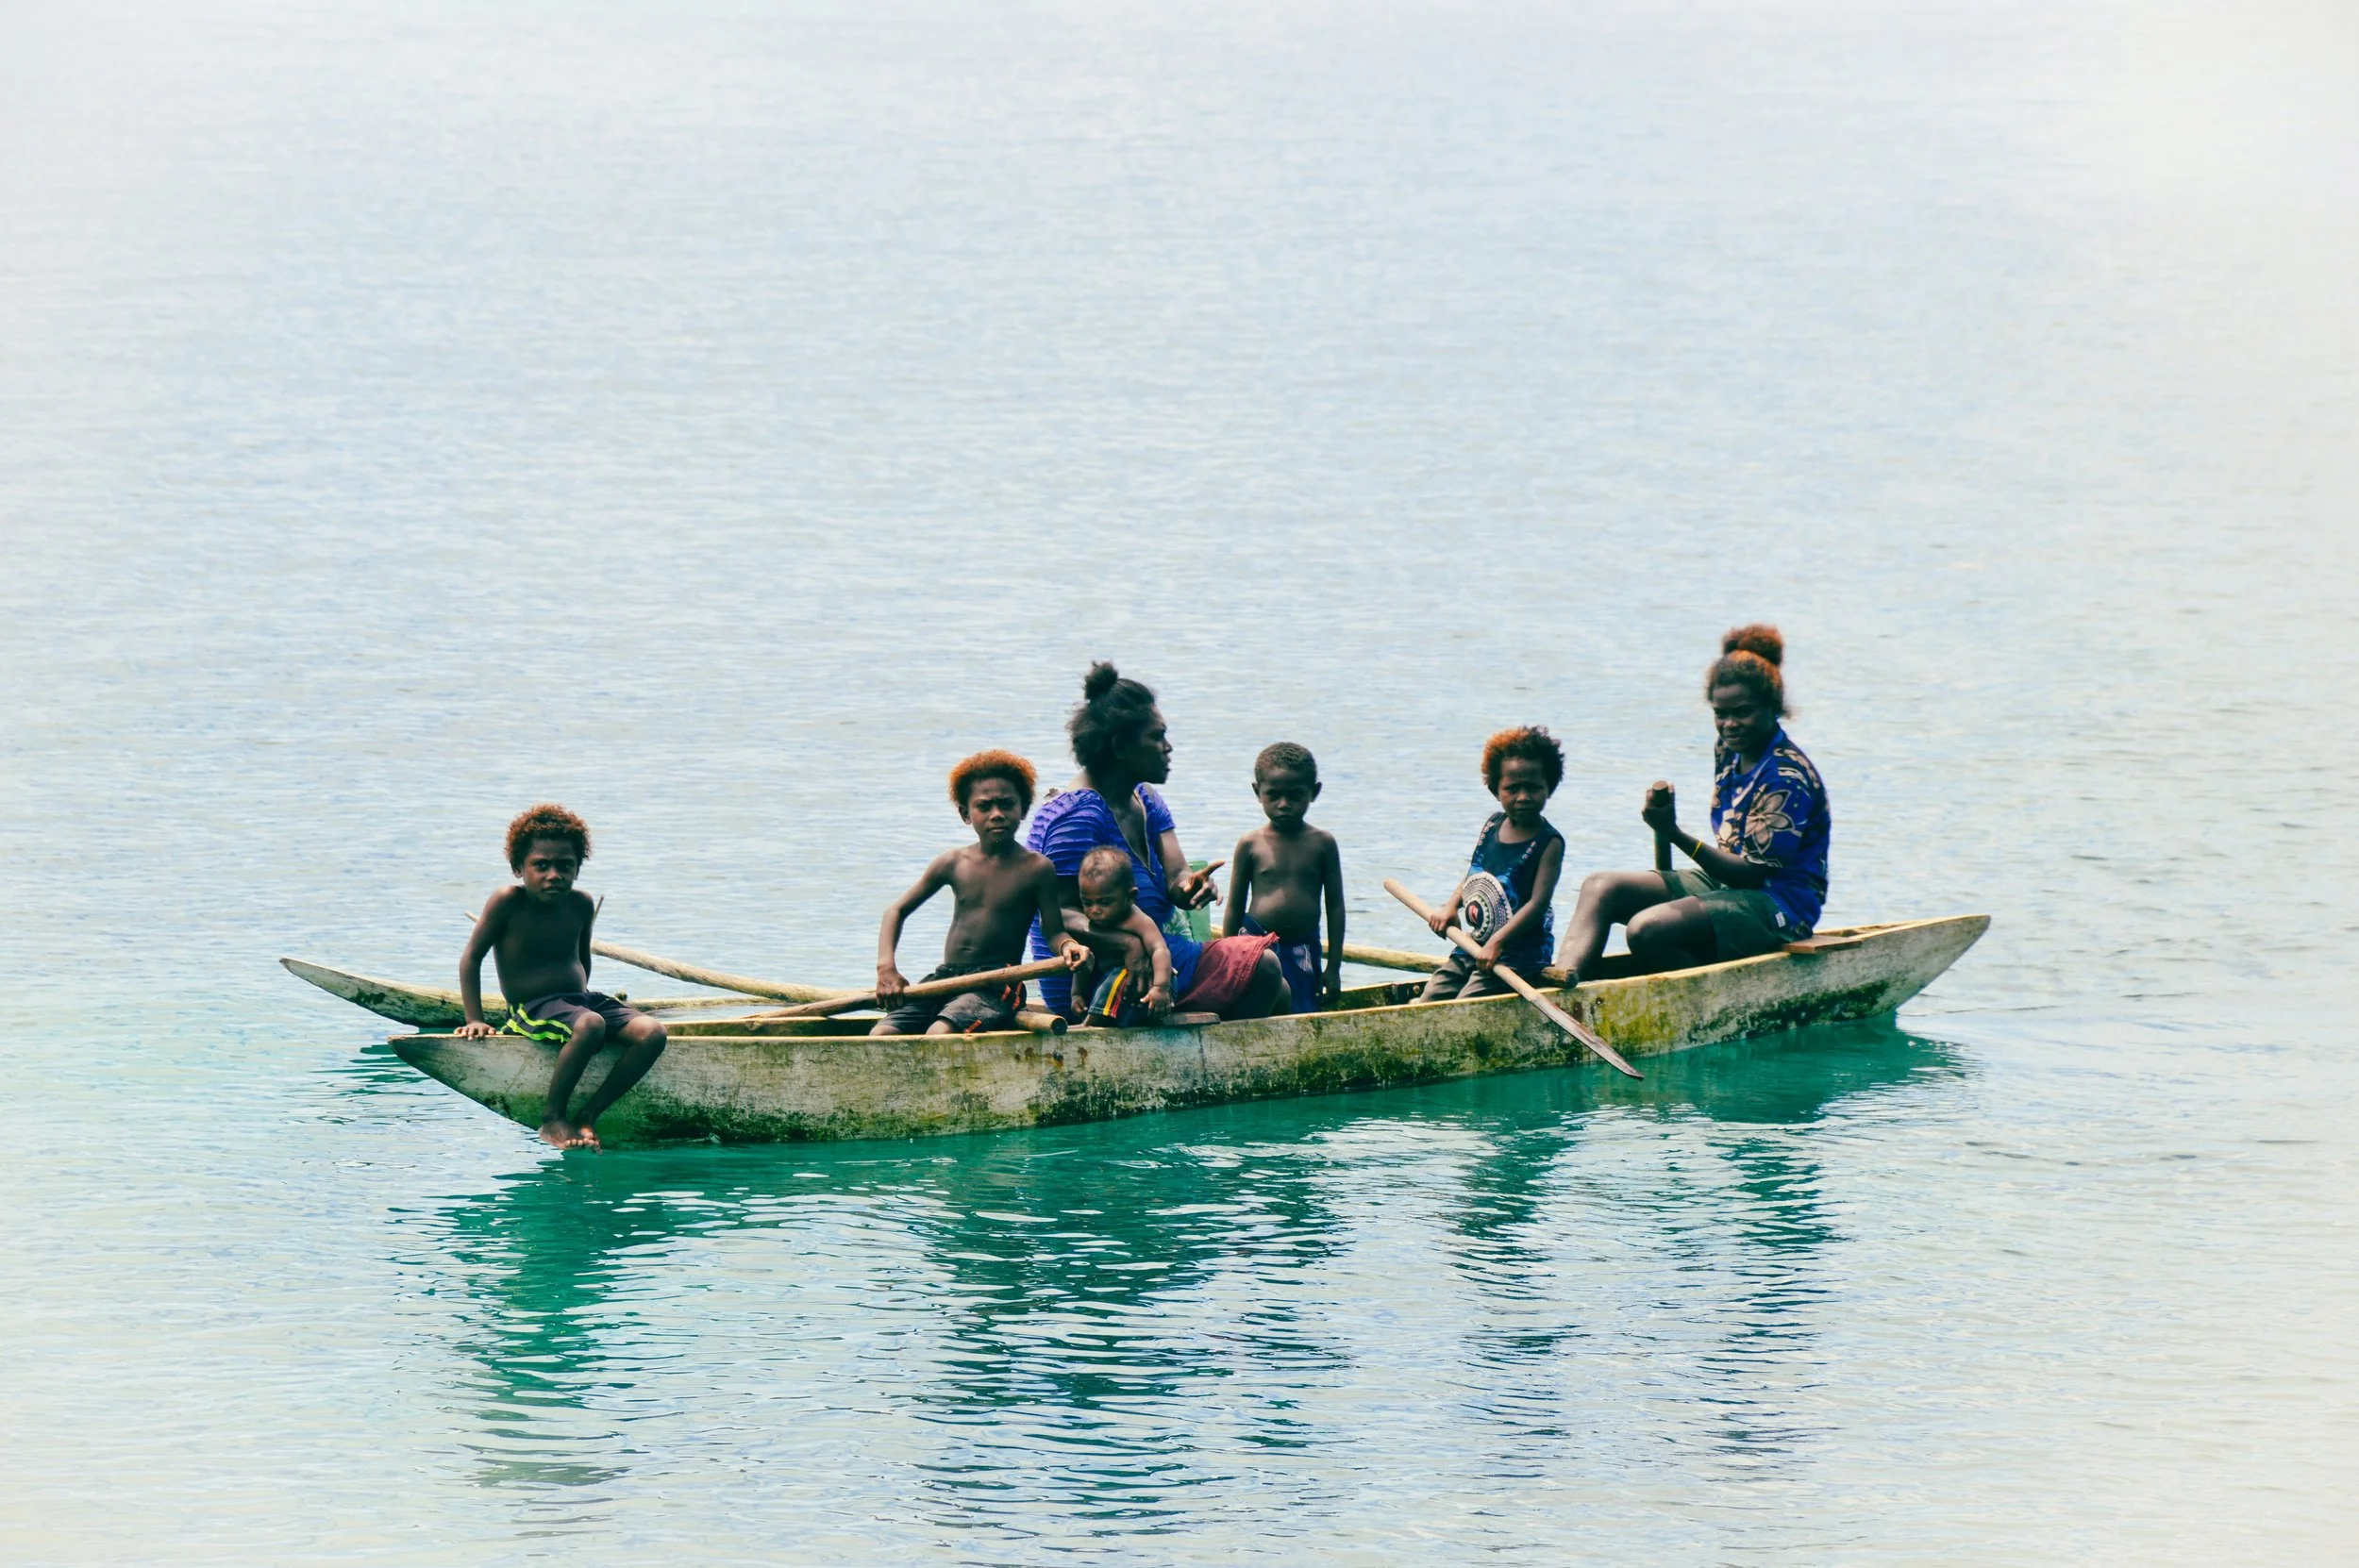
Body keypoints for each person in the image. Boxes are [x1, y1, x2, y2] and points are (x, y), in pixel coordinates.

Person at [1554, 625, 1830, 980]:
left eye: (1742, 712)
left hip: (1781, 906)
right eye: (1720, 714)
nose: (1730, 725)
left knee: (1647, 930)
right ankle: (1565, 985)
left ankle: (1711, 999)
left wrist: (1673, 833)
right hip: (1729, 887)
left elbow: (1751, 872)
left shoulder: (1785, 777)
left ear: (1772, 707)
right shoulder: (1729, 750)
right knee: (1602, 887)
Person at [1026, 662, 1288, 1019]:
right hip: (1096, 979)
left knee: (1280, 989)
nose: (1168, 747)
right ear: (1120, 746)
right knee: (1265, 967)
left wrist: (1192, 887)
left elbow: (1177, 878)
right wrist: (1126, 941)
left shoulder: (1144, 799)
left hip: (1152, 955)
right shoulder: (1079, 815)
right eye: (1156, 737)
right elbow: (1056, 916)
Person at [457, 804, 667, 1150]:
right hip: (533, 1008)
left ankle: (590, 1113)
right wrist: (475, 1019)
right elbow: (470, 960)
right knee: (591, 1026)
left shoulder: (581, 904)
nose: (553, 874)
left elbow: (581, 958)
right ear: (518, 869)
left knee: (652, 1032)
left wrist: (584, 1004)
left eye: (565, 866)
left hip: (580, 1002)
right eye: (541, 865)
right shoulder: (508, 902)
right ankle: (552, 1118)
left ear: (577, 869)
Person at [872, 751, 1089, 1036]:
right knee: (881, 1035)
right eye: (984, 806)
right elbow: (895, 912)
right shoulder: (952, 863)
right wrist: (886, 968)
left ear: (1023, 809)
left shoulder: (1037, 868)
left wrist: (1068, 946)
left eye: (1006, 804)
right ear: (966, 813)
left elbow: (1053, 932)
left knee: (939, 1034)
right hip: (945, 978)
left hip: (998, 983)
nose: (996, 814)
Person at [1414, 727, 1569, 1002]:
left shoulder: (1549, 842)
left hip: (1517, 955)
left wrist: (1499, 942)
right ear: (1496, 791)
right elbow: (1475, 874)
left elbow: (1537, 905)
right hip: (1473, 945)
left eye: (1533, 788)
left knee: (1467, 1005)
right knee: (1430, 999)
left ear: (1550, 788)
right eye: (1512, 789)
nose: (1523, 797)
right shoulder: (1492, 825)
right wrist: (1451, 906)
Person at [1222, 742, 1346, 1012]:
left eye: (1294, 795)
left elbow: (1335, 907)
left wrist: (1333, 967)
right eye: (1274, 795)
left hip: (1302, 947)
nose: (1283, 804)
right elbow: (1234, 905)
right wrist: (1226, 958)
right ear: (1258, 792)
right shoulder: (1250, 843)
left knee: (1301, 1010)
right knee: (1253, 1009)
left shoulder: (1322, 843)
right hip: (1255, 945)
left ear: (1314, 792)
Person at [1070, 845, 1177, 1026]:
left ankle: (1090, 1025)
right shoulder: (1091, 925)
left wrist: (1161, 987)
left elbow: (1160, 950)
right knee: (1111, 981)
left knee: (1118, 977)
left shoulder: (1136, 919)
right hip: (1118, 989)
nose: (1095, 910)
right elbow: (1085, 963)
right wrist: (1076, 994)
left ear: (1130, 897)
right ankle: (1098, 1021)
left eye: (1104, 902)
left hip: (1150, 986)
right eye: (1087, 903)